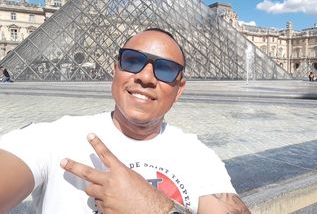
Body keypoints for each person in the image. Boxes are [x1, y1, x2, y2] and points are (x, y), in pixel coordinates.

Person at [0, 28, 251, 214]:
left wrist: (157, 208)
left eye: (165, 69)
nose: (145, 77)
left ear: (180, 89)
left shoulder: (200, 157)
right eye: (132, 61)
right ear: (115, 70)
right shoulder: (53, 138)